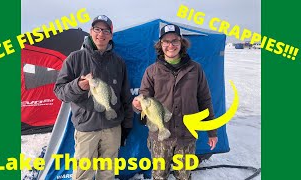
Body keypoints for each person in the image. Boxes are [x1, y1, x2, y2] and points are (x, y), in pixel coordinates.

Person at [132, 24, 218, 180]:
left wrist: (212, 132)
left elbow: (205, 100)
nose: (170, 45)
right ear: (160, 44)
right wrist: (137, 105)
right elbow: (143, 97)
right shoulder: (151, 71)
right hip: (159, 137)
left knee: (184, 176)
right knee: (159, 176)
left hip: (187, 136)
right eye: (166, 41)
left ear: (181, 43)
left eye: (174, 41)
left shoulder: (196, 69)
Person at [54, 15, 133, 180]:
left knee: (108, 173)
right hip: (86, 128)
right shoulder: (75, 58)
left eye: (105, 30)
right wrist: (78, 86)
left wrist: (126, 126)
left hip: (112, 128)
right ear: (90, 32)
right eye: (97, 29)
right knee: (83, 175)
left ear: (111, 35)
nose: (101, 34)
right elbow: (60, 91)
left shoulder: (119, 62)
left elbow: (125, 96)